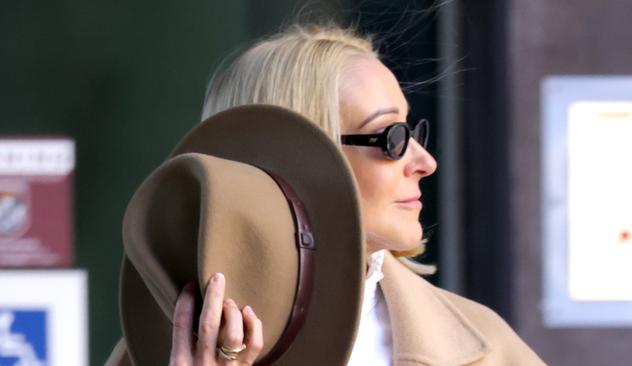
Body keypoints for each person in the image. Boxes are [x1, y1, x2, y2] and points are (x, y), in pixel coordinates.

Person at [107, 24, 545, 365]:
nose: (425, 161)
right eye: (391, 136)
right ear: (301, 158)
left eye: (414, 131)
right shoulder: (156, 351)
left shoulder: (485, 346)